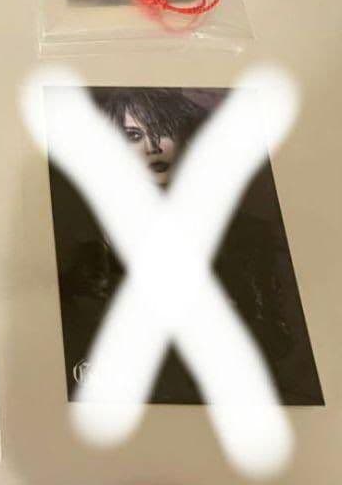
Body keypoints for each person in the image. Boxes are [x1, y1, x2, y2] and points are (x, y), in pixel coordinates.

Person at [53, 88, 323, 405]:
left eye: (163, 131)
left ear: (186, 139)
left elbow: (283, 343)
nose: (153, 146)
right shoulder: (84, 246)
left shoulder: (244, 235)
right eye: (133, 135)